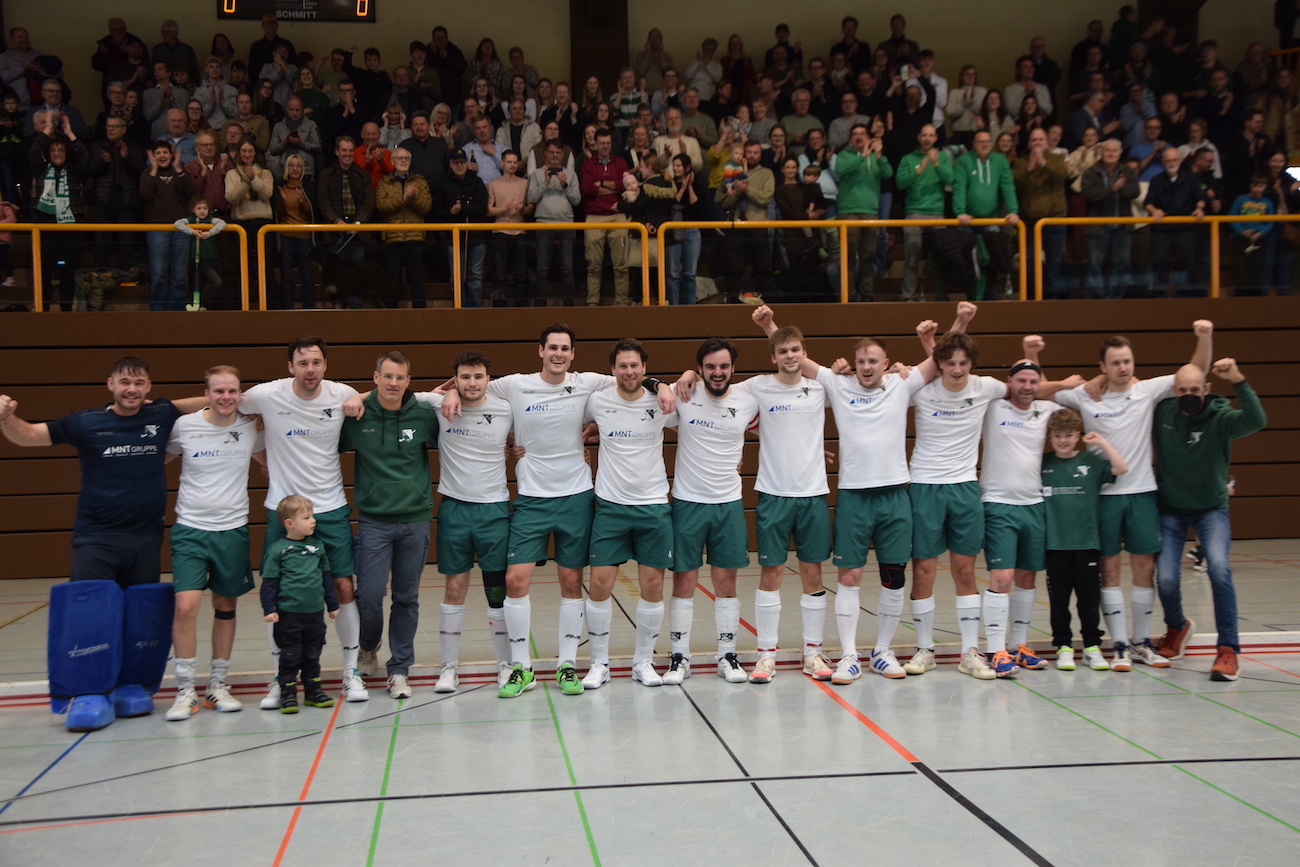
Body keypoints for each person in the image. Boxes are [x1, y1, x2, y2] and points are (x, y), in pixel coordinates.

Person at [431, 325, 671, 697]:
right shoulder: (514, 385)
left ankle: (566, 666)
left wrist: (661, 383)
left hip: (576, 495)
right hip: (532, 497)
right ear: (540, 351)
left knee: (572, 582)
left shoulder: (588, 383)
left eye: (565, 348)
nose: (559, 353)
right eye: (552, 347)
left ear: (572, 354)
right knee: (515, 580)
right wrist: (448, 393)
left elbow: (633, 380)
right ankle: (521, 668)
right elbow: (469, 387)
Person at [1053, 323, 1214, 669]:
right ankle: (1119, 646)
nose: (1122, 368)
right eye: (1115, 363)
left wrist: (1204, 338)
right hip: (1104, 497)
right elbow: (1036, 390)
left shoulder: (1148, 390)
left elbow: (1196, 371)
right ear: (1103, 366)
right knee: (1109, 569)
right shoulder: (1085, 395)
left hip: (1141, 494)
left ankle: (1141, 641)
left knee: (1144, 567)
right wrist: (1071, 379)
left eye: (1127, 361)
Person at [240, 337, 365, 709]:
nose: (310, 369)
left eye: (316, 362)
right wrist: (162, 407)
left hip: (330, 508)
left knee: (343, 586)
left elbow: (379, 395)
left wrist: (360, 397)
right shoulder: (268, 395)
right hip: (284, 510)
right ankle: (281, 679)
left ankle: (351, 672)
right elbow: (225, 402)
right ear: (290, 367)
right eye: (302, 363)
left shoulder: (342, 394)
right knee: (281, 594)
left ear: (325, 365)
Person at [1152, 359, 1267, 681]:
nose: (1188, 395)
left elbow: (1257, 420)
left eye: (1194, 389)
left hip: (1210, 510)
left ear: (1207, 389)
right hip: (1170, 509)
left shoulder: (1221, 418)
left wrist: (1238, 380)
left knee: (1218, 568)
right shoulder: (1163, 412)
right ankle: (1177, 627)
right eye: (1182, 390)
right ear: (1173, 391)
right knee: (1166, 577)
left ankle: (1228, 649)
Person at [406, 352, 515, 690]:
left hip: (494, 511)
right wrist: (444, 393)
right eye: (465, 377)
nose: (472, 383)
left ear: (488, 379)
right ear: (455, 379)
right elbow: (387, 395)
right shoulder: (437, 404)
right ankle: (448, 667)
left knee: (497, 592)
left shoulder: (506, 409)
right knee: (454, 589)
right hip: (454, 509)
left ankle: (506, 664)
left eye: (478, 376)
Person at [163, 365, 264, 721]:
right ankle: (185, 689)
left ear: (240, 394)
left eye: (232, 391)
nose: (226, 397)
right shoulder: (185, 426)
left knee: (225, 605)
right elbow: (156, 459)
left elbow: (269, 459)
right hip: (191, 530)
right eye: (218, 391)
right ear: (206, 394)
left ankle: (217, 684)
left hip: (232, 530)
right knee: (185, 607)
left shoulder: (251, 427)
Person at [338, 352, 439, 700]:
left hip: (415, 520)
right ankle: (368, 646)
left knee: (406, 598)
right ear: (376, 378)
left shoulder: (423, 414)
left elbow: (455, 437)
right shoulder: (357, 415)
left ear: (408, 381)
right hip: (374, 521)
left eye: (400, 377)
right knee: (368, 596)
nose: (393, 383)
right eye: (387, 376)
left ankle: (399, 669)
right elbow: (325, 446)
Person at [585, 339, 679, 686]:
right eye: (622, 366)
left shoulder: (662, 401)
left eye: (635, 365)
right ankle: (599, 664)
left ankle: (643, 662)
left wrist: (662, 385)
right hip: (611, 506)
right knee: (599, 584)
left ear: (644, 368)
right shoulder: (597, 401)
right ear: (612, 370)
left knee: (652, 584)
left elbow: (699, 423)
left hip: (653, 506)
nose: (629, 371)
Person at [665, 338, 760, 683]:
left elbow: (782, 428)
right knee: (684, 581)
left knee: (726, 582)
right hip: (688, 502)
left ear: (733, 368)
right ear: (700, 369)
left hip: (728, 503)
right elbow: (641, 399)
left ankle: (727, 655)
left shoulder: (748, 399)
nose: (717, 372)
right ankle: (679, 657)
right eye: (709, 367)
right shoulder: (683, 394)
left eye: (723, 366)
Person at [1042, 408, 1129, 671]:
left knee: (1089, 600)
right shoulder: (1043, 463)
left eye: (1069, 435)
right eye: (1058, 436)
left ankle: (1092, 647)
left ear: (1078, 436)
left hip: (1087, 544)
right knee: (1059, 601)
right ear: (1050, 437)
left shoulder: (1091, 462)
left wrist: (1101, 442)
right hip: (1055, 545)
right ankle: (1064, 646)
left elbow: (1121, 468)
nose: (1063, 441)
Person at [260, 495, 339, 714]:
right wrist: (269, 608)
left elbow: (326, 578)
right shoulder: (278, 549)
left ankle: (313, 692)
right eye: (306, 517)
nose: (313, 521)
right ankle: (288, 694)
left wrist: (332, 605)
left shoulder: (318, 547)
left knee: (313, 654)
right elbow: (269, 582)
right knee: (290, 655)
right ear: (289, 523)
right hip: (289, 615)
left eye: (312, 516)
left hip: (314, 613)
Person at [953, 130, 1020, 299]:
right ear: (974, 144)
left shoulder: (1000, 160)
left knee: (992, 260)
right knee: (970, 262)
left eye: (987, 141)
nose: (984, 145)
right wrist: (960, 212)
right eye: (980, 142)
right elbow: (959, 187)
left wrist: (1013, 210)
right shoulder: (963, 161)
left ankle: (989, 299)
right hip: (969, 221)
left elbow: (1007, 186)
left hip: (991, 219)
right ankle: (972, 298)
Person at [896, 124, 953, 303]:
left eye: (931, 135)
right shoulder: (908, 159)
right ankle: (909, 296)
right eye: (924, 135)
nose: (927, 139)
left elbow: (950, 179)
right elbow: (900, 183)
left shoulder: (943, 157)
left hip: (937, 213)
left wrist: (936, 164)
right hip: (914, 213)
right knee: (911, 259)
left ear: (935, 138)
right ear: (919, 137)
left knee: (939, 259)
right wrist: (917, 171)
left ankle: (941, 295)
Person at [716, 138, 776, 304]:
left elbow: (765, 198)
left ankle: (770, 301)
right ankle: (733, 300)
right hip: (736, 223)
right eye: (748, 152)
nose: (751, 155)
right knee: (733, 265)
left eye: (755, 152)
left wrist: (747, 189)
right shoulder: (732, 171)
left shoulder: (766, 173)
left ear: (760, 154)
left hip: (758, 224)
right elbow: (719, 199)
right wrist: (735, 192)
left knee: (764, 265)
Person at [317, 136, 375, 306]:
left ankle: (355, 311)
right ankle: (339, 311)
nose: (347, 154)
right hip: (335, 234)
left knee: (357, 273)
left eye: (350, 150)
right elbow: (323, 202)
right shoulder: (326, 174)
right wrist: (337, 222)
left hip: (358, 233)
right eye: (344, 150)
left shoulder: (363, 175)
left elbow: (368, 202)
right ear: (337, 152)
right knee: (337, 274)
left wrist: (358, 223)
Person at [140, 137, 196, 311]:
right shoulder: (147, 173)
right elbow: (145, 194)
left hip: (181, 229)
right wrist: (154, 170)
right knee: (159, 274)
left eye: (165, 152)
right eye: (158, 153)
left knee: (181, 275)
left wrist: (178, 169)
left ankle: (179, 310)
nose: (162, 156)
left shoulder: (180, 172)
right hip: (157, 229)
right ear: (153, 156)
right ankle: (158, 310)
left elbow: (192, 191)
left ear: (171, 155)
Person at [1014, 128, 1069, 298]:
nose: (1037, 143)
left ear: (1047, 142)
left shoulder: (1057, 159)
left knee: (1055, 262)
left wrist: (1043, 162)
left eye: (1041, 140)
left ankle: (1053, 300)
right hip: (1029, 222)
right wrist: (1030, 167)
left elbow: (1062, 175)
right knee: (1030, 263)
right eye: (1034, 140)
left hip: (1054, 220)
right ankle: (1032, 299)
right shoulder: (1021, 162)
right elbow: (1016, 183)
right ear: (1029, 143)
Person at [87, 113, 147, 270]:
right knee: (102, 240)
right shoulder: (98, 146)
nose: (111, 130)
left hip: (127, 198)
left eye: (114, 126)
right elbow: (90, 170)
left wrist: (127, 158)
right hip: (104, 199)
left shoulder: (135, 147)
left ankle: (128, 275)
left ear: (124, 129)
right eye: (108, 126)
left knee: (127, 240)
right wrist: (102, 162)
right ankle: (99, 274)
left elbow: (142, 172)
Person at [1080, 138, 1138, 299]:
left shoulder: (1127, 171)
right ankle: (1098, 300)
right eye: (1107, 150)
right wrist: (1112, 189)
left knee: (1121, 265)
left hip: (1122, 227)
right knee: (1094, 265)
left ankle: (1115, 299)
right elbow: (1088, 194)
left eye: (1114, 151)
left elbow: (1135, 192)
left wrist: (1122, 187)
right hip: (1097, 228)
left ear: (1120, 153)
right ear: (1101, 152)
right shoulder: (1091, 172)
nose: (1110, 154)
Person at [1145, 147, 1207, 296]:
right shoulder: (1156, 180)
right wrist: (1154, 210)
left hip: (1185, 227)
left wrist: (1199, 208)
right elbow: (1148, 202)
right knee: (1158, 261)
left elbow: (1200, 196)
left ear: (1180, 160)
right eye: (1168, 160)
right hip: (1162, 228)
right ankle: (1158, 295)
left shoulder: (1191, 178)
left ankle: (1184, 294)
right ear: (1163, 162)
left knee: (1187, 262)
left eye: (1174, 160)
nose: (1171, 163)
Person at [375, 147, 433, 307]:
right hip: (392, 237)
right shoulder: (384, 182)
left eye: (406, 158)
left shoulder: (420, 182)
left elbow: (426, 207)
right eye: (399, 158)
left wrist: (413, 198)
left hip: (415, 237)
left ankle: (420, 315)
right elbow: (381, 205)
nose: (403, 161)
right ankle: (391, 315)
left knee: (417, 279)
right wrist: (403, 199)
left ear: (410, 161)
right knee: (391, 279)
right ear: (392, 161)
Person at [580, 129, 632, 306]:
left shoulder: (620, 162)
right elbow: (587, 188)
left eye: (608, 143)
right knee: (593, 265)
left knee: (621, 265)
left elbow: (626, 186)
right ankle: (592, 303)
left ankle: (622, 303)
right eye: (602, 143)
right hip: (594, 217)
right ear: (595, 143)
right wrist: (613, 189)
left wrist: (602, 183)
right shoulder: (588, 164)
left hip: (617, 215)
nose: (605, 146)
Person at [434, 147, 489, 307]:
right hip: (454, 239)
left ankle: (474, 310)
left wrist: (463, 209)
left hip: (476, 238)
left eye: (462, 162)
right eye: (456, 163)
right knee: (456, 277)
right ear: (450, 164)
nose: (459, 165)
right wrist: (451, 212)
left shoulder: (476, 182)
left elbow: (482, 208)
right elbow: (438, 210)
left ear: (467, 163)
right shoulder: (443, 183)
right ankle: (459, 310)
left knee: (475, 277)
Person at [528, 140, 581, 306]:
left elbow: (577, 200)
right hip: (543, 224)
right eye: (551, 152)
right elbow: (531, 198)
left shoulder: (571, 174)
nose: (555, 156)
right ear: (545, 154)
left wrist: (564, 185)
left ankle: (569, 308)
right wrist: (545, 182)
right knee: (542, 269)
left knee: (567, 268)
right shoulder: (537, 174)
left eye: (558, 153)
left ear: (562, 155)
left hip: (566, 224)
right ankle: (540, 308)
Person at [487, 149, 534, 306]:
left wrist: (522, 209)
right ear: (502, 163)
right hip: (500, 231)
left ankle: (520, 310)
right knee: (499, 275)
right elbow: (489, 211)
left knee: (521, 276)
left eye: (515, 162)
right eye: (509, 162)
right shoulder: (494, 184)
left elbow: (531, 209)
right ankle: (499, 311)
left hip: (520, 231)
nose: (512, 165)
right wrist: (505, 208)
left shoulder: (525, 183)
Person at [272, 153, 315, 309]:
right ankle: (286, 311)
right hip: (286, 237)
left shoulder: (308, 186)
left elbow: (312, 213)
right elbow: (277, 214)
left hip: (304, 236)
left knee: (306, 276)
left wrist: (301, 201)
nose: (295, 169)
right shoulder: (280, 187)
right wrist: (282, 202)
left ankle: (309, 310)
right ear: (286, 168)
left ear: (302, 169)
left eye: (298, 166)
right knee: (286, 276)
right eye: (292, 165)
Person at [666, 153, 708, 305]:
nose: (675, 168)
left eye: (679, 165)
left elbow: (698, 207)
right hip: (673, 231)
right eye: (674, 165)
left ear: (687, 167)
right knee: (672, 274)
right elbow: (671, 205)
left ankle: (690, 307)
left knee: (689, 274)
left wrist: (689, 186)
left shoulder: (697, 186)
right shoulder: (670, 185)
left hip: (692, 231)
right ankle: (673, 307)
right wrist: (682, 187)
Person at [172, 195, 225, 310]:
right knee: (216, 282)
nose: (202, 211)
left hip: (213, 257)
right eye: (199, 208)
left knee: (215, 283)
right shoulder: (191, 220)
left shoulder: (210, 219)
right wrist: (192, 231)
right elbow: (177, 223)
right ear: (193, 209)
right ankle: (200, 302)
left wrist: (209, 233)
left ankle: (204, 304)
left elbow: (222, 223)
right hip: (199, 258)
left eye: (205, 208)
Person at [1228, 174, 1276, 295]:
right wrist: (1243, 232)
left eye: (1260, 186)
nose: (1257, 189)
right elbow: (1231, 218)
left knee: (1256, 267)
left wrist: (1260, 233)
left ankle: (1255, 296)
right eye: (1255, 186)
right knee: (1240, 268)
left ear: (1265, 187)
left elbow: (1271, 222)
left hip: (1258, 238)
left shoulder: (1268, 203)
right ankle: (1240, 295)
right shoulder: (1240, 200)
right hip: (1239, 238)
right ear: (1250, 186)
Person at [268, 96, 321, 181]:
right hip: (285, 172)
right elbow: (272, 150)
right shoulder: (279, 127)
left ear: (302, 110)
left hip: (306, 172)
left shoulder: (311, 125)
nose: (294, 113)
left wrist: (301, 144)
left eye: (297, 110)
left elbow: (318, 148)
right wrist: (285, 143)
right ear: (286, 109)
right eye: (291, 109)